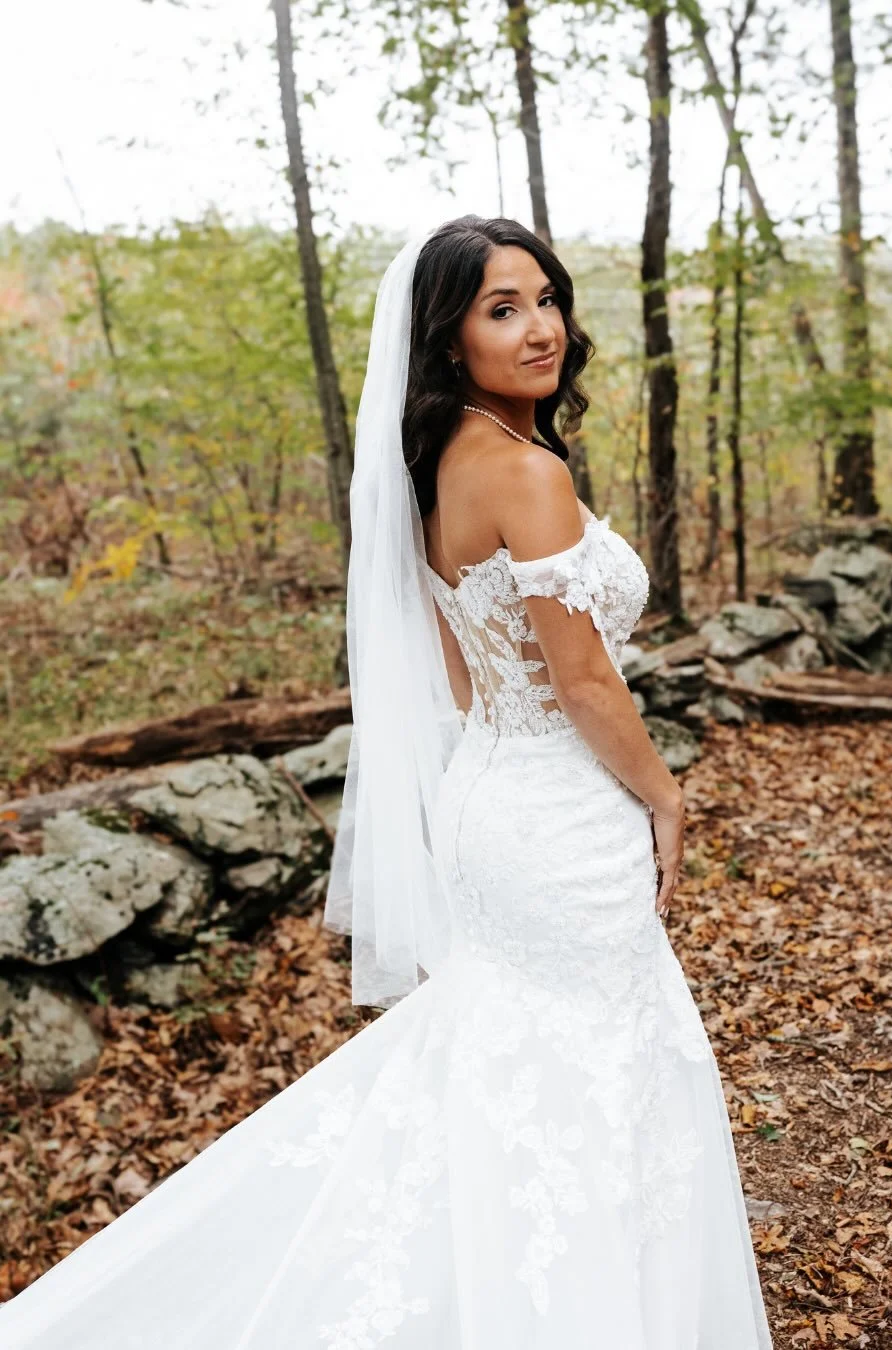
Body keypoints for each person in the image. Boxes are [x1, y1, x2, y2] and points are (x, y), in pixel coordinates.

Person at [0, 215, 773, 1349]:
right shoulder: (526, 472)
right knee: (594, 1070)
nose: (541, 326)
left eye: (546, 298)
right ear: (447, 338)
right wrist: (664, 796)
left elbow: (464, 675)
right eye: (501, 309)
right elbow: (586, 687)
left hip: (489, 800)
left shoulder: (432, 470)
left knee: (516, 1064)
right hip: (556, 815)